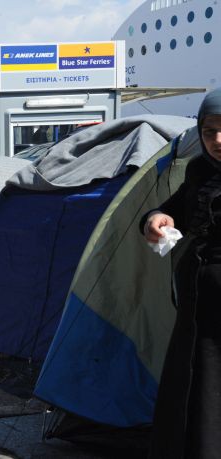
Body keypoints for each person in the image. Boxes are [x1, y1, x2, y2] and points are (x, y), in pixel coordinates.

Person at [141, 88, 221, 458]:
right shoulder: (198, 170)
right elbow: (177, 211)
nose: (218, 140)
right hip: (197, 308)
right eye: (209, 131)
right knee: (196, 389)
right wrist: (156, 218)